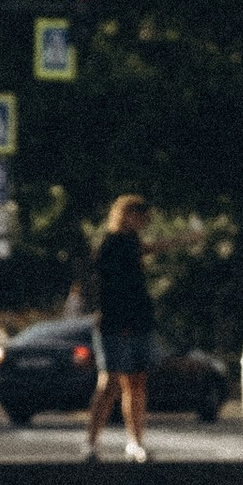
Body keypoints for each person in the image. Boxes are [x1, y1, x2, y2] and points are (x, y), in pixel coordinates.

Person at [85, 193, 154, 464]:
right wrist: (122, 321)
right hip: (116, 322)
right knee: (111, 382)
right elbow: (109, 289)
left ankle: (135, 441)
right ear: (127, 215)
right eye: (140, 217)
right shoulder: (112, 244)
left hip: (137, 320)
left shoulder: (130, 242)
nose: (143, 222)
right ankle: (91, 442)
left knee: (135, 382)